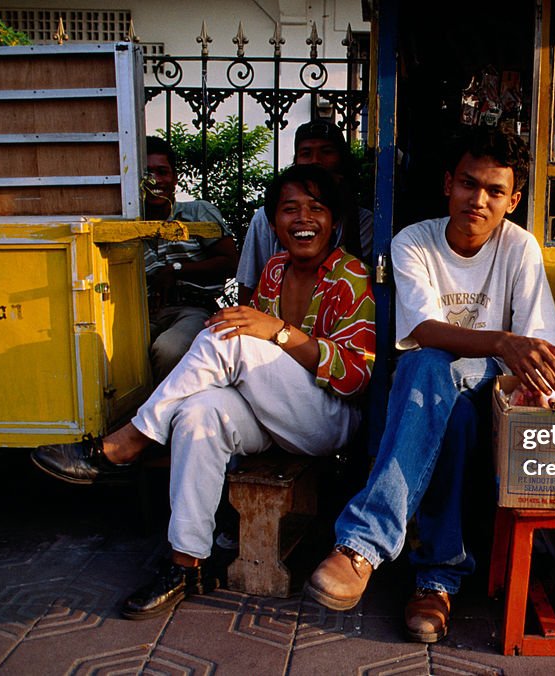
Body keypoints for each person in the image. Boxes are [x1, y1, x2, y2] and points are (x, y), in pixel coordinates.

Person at [31, 165, 376, 618]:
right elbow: (256, 368)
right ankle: (186, 562)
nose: (303, 218)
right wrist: (266, 336)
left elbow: (357, 377)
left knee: (227, 337)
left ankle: (128, 442)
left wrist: (279, 332)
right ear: (273, 222)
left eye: (316, 208)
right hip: (277, 414)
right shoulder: (273, 270)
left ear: (334, 221)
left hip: (328, 419)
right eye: (290, 209)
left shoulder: (350, 275)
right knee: (199, 412)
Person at [305, 127, 555, 644]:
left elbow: (538, 346)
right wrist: (501, 341)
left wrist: (515, 356)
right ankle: (436, 581)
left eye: (496, 191)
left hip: (490, 386)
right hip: (430, 386)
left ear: (513, 200)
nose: (479, 200)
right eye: (469, 184)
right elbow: (422, 330)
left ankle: (362, 547)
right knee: (434, 375)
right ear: (448, 183)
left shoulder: (519, 247)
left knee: (440, 377)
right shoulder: (414, 242)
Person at [235, 119, 373, 306]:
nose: (316, 161)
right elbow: (248, 285)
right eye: (306, 153)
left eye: (326, 152)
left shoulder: (363, 222)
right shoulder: (266, 224)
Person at [144, 136, 239, 381]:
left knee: (170, 349)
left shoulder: (197, 212)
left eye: (162, 172)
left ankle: (163, 417)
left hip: (192, 308)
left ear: (174, 179)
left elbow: (230, 262)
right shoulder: (125, 223)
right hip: (142, 313)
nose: (154, 179)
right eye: (147, 172)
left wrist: (176, 270)